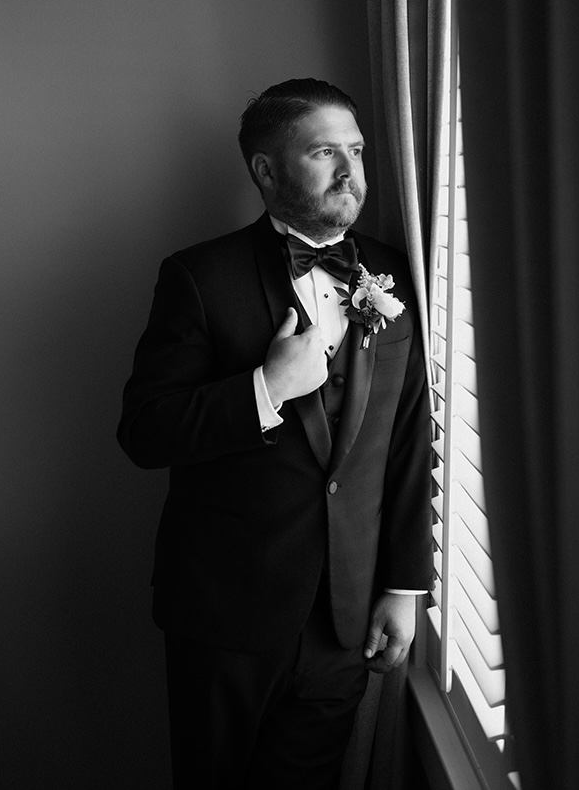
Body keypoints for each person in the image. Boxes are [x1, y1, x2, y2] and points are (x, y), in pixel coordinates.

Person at [117, 78, 433, 789]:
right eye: (326, 152)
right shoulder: (198, 277)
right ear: (265, 170)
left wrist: (404, 584)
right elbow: (143, 431)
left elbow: (411, 437)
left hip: (344, 617)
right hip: (225, 617)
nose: (352, 173)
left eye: (355, 150)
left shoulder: (394, 270)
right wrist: (265, 389)